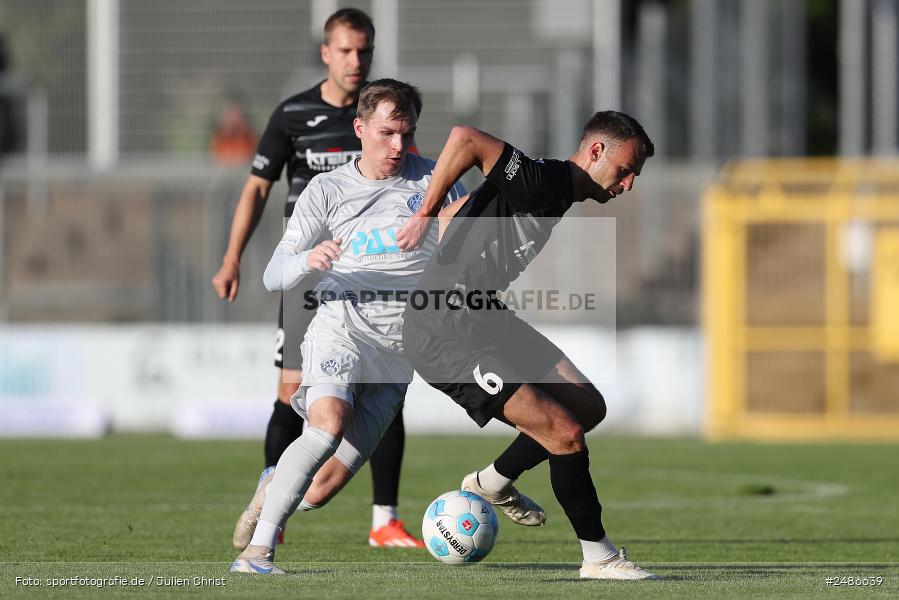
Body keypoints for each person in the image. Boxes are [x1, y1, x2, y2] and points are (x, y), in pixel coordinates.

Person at [396, 112, 661, 580]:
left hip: (482, 314)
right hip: (443, 332)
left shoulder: (557, 193)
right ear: (596, 152)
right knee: (563, 432)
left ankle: (491, 482)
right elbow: (466, 139)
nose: (629, 184)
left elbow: (457, 213)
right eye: (625, 170)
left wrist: (451, 238)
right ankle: (599, 557)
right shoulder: (542, 180)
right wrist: (422, 217)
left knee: (585, 406)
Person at [230, 79, 465, 574]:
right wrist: (309, 260)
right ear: (360, 128)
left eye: (407, 133)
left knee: (320, 488)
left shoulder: (436, 182)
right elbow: (274, 273)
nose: (398, 146)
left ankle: (269, 489)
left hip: (401, 351)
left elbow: (465, 256)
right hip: (342, 327)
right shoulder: (327, 189)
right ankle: (259, 552)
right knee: (326, 426)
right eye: (387, 133)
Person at [212, 9, 423, 549]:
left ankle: (383, 517)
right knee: (300, 400)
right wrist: (233, 255)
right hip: (313, 268)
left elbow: (442, 206)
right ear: (326, 52)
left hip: (383, 292)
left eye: (365, 51)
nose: (356, 60)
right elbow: (257, 188)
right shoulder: (293, 114)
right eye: (347, 50)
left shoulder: (393, 127)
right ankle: (271, 517)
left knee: (377, 396)